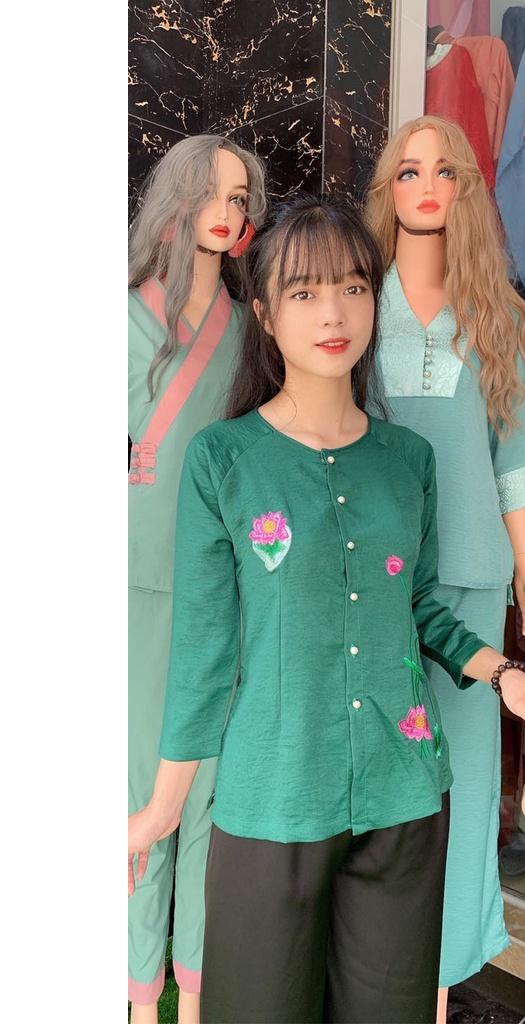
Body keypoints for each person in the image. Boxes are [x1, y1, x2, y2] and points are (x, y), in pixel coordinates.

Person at [127, 196, 525, 1024]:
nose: (334, 314)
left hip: (405, 797)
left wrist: (508, 677)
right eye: (305, 292)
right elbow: (206, 651)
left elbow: (418, 606)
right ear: (264, 312)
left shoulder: (408, 459)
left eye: (354, 288)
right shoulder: (225, 460)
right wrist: (163, 810)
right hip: (270, 802)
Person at [365, 116, 525, 1019]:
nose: (427, 185)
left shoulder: (499, 313)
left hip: (474, 574)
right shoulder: (353, 303)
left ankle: (436, 991)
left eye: (445, 171)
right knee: (375, 778)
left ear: (468, 188)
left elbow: (514, 454)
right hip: (367, 578)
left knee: (464, 789)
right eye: (409, 171)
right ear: (388, 190)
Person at [128, 134, 267, 1023]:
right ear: (176, 201)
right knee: (143, 794)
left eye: (241, 196)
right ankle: (138, 1000)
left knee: (208, 796)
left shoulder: (253, 332)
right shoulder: (123, 318)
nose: (228, 210)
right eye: (212, 193)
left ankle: (195, 1001)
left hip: (224, 580)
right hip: (136, 578)